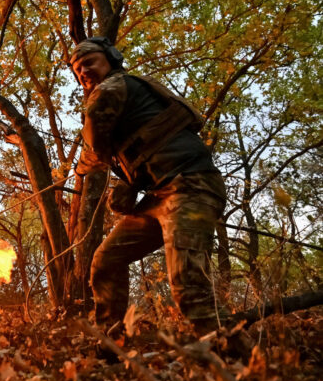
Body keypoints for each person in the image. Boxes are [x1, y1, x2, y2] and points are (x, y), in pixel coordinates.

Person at [70, 37, 227, 338]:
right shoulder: (121, 101)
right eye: (78, 71)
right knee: (106, 260)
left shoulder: (112, 88)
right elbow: (123, 151)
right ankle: (110, 347)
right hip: (160, 197)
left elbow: (94, 144)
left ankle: (242, 363)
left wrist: (80, 168)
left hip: (191, 188)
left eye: (89, 63)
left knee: (189, 288)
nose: (83, 72)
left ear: (111, 59)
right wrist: (128, 182)